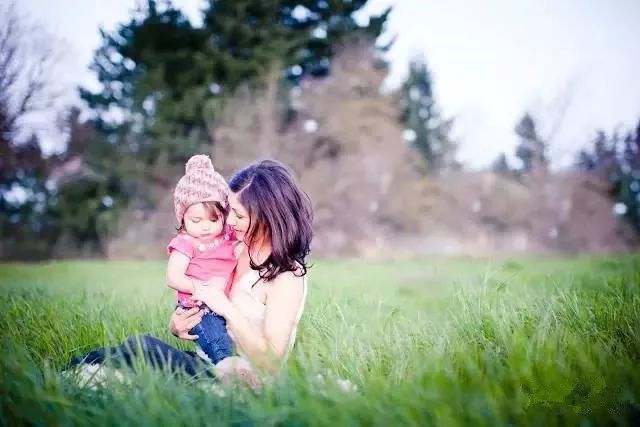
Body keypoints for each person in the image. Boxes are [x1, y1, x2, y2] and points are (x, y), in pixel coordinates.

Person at [67, 159, 313, 382]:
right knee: (131, 350)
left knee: (142, 347)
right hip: (207, 360)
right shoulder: (236, 249)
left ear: (267, 217)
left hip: (243, 379)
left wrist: (225, 307)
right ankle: (70, 373)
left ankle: (78, 375)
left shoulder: (286, 276)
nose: (229, 221)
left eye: (238, 215)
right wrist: (180, 326)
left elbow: (271, 363)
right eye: (229, 211)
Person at [166, 154, 242, 373]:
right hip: (198, 307)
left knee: (232, 338)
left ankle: (224, 368)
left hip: (224, 303)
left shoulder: (228, 235)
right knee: (218, 341)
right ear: (182, 218)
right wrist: (201, 288)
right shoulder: (186, 242)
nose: (206, 227)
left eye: (213, 219)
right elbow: (173, 277)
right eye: (196, 220)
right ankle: (229, 370)